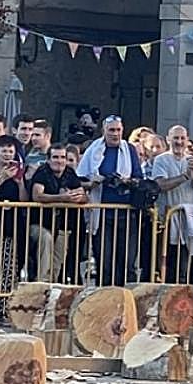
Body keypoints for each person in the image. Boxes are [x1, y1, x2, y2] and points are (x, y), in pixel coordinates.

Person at [77, 116, 144, 286]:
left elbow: (139, 178)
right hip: (102, 214)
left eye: (118, 130)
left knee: (127, 263)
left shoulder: (129, 149)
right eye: (111, 130)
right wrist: (94, 182)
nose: (115, 134)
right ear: (104, 131)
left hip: (126, 213)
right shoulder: (94, 149)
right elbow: (80, 178)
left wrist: (127, 181)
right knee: (105, 263)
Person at [0, 135, 29, 320]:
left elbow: (24, 200)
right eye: (4, 151)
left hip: (12, 225)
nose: (8, 154)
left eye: (11, 151)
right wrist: (2, 178)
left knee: (9, 267)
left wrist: (20, 182)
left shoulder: (18, 173)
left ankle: (4, 307)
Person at [153, 126, 193, 283]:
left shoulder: (191, 160)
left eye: (182, 138)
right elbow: (161, 185)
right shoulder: (161, 160)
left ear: (187, 140)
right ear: (168, 139)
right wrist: (184, 177)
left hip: (189, 220)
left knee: (189, 263)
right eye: (176, 138)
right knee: (170, 263)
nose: (179, 142)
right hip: (168, 219)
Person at [30, 143, 87, 283]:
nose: (59, 161)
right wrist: (62, 198)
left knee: (57, 263)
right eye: (55, 157)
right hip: (40, 224)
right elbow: (37, 196)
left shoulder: (70, 173)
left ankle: (52, 287)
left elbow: (84, 197)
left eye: (62, 157)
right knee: (47, 240)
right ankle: (41, 284)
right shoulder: (42, 172)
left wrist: (77, 197)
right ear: (48, 159)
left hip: (63, 226)